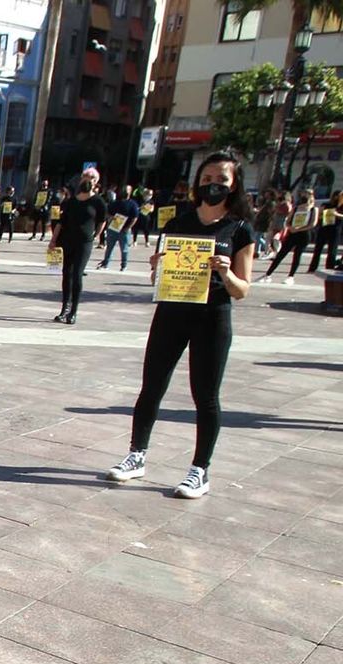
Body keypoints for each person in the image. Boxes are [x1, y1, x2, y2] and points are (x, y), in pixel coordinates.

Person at [105, 151, 254, 500]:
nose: (212, 186)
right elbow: (159, 276)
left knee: (205, 395)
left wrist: (225, 271)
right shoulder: (178, 224)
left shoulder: (240, 229)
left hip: (212, 315)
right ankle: (136, 454)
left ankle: (200, 469)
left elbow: (243, 288)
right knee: (152, 385)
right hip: (172, 312)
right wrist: (158, 267)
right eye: (207, 179)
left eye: (221, 180)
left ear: (233, 186)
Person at [50, 173, 109, 324]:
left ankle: (73, 312)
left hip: (84, 243)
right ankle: (64, 309)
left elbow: (102, 221)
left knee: (77, 274)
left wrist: (95, 236)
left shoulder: (98, 202)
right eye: (85, 177)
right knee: (66, 274)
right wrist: (53, 240)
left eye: (91, 178)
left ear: (96, 182)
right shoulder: (71, 202)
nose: (87, 180)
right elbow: (60, 223)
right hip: (67, 241)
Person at [261, 188, 317, 284]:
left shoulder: (313, 209)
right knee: (282, 253)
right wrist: (290, 227)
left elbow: (313, 224)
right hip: (292, 232)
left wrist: (299, 229)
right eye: (304, 194)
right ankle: (268, 274)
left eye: (308, 195)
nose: (305, 197)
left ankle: (291, 276)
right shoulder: (296, 208)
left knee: (297, 255)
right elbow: (287, 220)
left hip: (304, 234)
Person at [97, 185, 140, 269]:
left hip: (124, 230)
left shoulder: (133, 204)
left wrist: (128, 227)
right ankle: (106, 263)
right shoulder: (115, 203)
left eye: (127, 190)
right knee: (109, 248)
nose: (125, 191)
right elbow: (108, 213)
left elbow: (135, 218)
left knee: (124, 249)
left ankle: (124, 265)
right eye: (123, 190)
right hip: (113, 228)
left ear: (130, 192)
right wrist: (110, 218)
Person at [308, 192, 341, 272]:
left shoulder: (341, 206)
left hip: (335, 229)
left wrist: (337, 214)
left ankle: (329, 267)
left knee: (332, 250)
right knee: (318, 249)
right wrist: (321, 214)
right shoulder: (326, 204)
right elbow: (319, 214)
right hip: (324, 228)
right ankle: (313, 267)